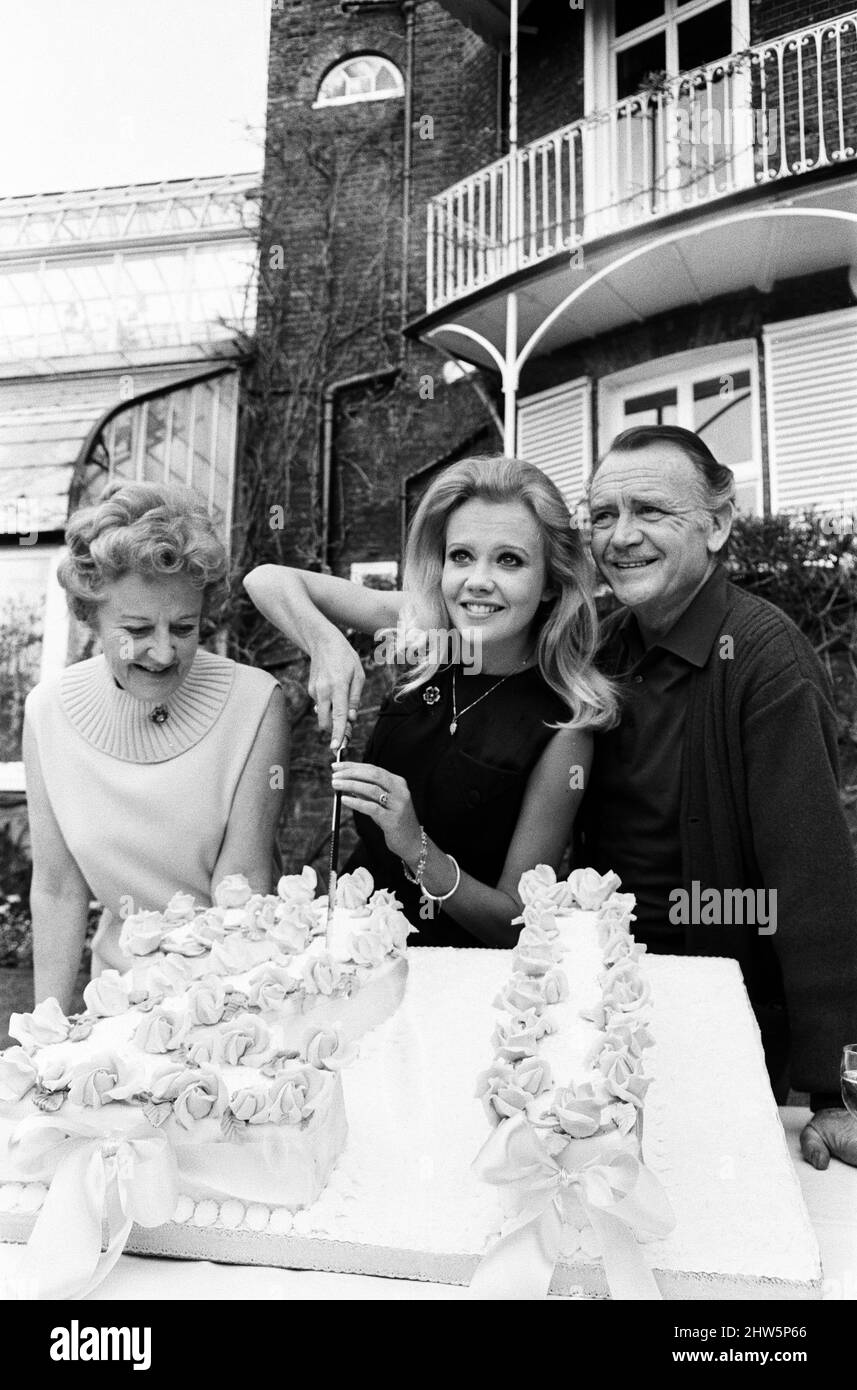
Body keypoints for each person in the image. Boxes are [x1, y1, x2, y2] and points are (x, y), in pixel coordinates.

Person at [578, 423, 857, 1170]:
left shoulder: (764, 660)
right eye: (602, 515)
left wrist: (836, 1093)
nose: (620, 536)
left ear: (718, 523)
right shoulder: (598, 651)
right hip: (597, 1007)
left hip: (720, 1018)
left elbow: (812, 883)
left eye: (650, 511)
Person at [244, 455, 616, 947]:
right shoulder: (429, 633)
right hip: (352, 943)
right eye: (461, 556)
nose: (477, 580)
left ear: (551, 581)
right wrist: (325, 643)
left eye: (509, 560)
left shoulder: (566, 729)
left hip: (450, 974)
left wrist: (416, 846)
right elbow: (265, 579)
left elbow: (513, 923)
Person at [24, 481, 288, 1012]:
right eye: (138, 629)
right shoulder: (46, 713)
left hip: (233, 996)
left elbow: (243, 884)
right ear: (90, 614)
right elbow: (57, 890)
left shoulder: (256, 704)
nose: (164, 652)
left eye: (184, 628)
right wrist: (41, 1038)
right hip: (116, 1000)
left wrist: (215, 1024)